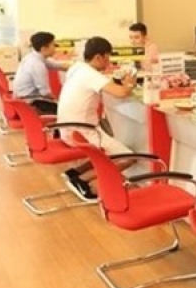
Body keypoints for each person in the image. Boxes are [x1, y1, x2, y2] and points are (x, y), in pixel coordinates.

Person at [57, 36, 137, 200]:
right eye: (108, 57)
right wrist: (130, 83)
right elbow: (121, 93)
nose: (109, 61)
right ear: (99, 57)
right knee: (128, 158)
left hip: (67, 129)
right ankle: (81, 180)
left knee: (105, 153)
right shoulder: (91, 75)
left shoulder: (77, 68)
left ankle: (74, 173)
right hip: (82, 132)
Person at [12, 31, 67, 115]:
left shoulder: (32, 57)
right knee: (68, 111)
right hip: (31, 104)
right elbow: (45, 93)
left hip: (23, 101)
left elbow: (55, 65)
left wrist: (76, 66)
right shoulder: (37, 65)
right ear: (44, 48)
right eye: (53, 45)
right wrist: (58, 101)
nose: (55, 48)